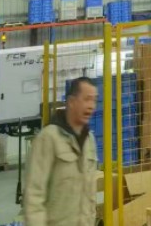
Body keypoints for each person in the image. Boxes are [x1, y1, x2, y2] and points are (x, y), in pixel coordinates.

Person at [23, 76, 98, 226]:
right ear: (71, 102)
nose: (91, 106)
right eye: (86, 99)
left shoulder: (89, 139)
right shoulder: (49, 138)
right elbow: (34, 196)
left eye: (94, 100)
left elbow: (90, 195)